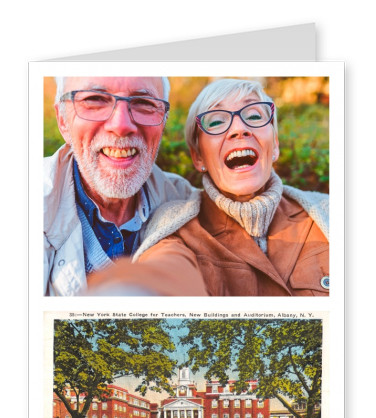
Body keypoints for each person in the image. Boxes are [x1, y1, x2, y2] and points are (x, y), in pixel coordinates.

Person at [87, 78, 329, 296]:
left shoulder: (328, 213)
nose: (239, 129)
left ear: (274, 144)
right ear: (198, 157)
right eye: (216, 121)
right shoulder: (176, 229)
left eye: (254, 116)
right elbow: (165, 271)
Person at [44, 76, 198, 296]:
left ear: (163, 121)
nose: (121, 126)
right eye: (95, 99)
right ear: (62, 120)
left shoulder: (187, 204)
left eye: (144, 103)